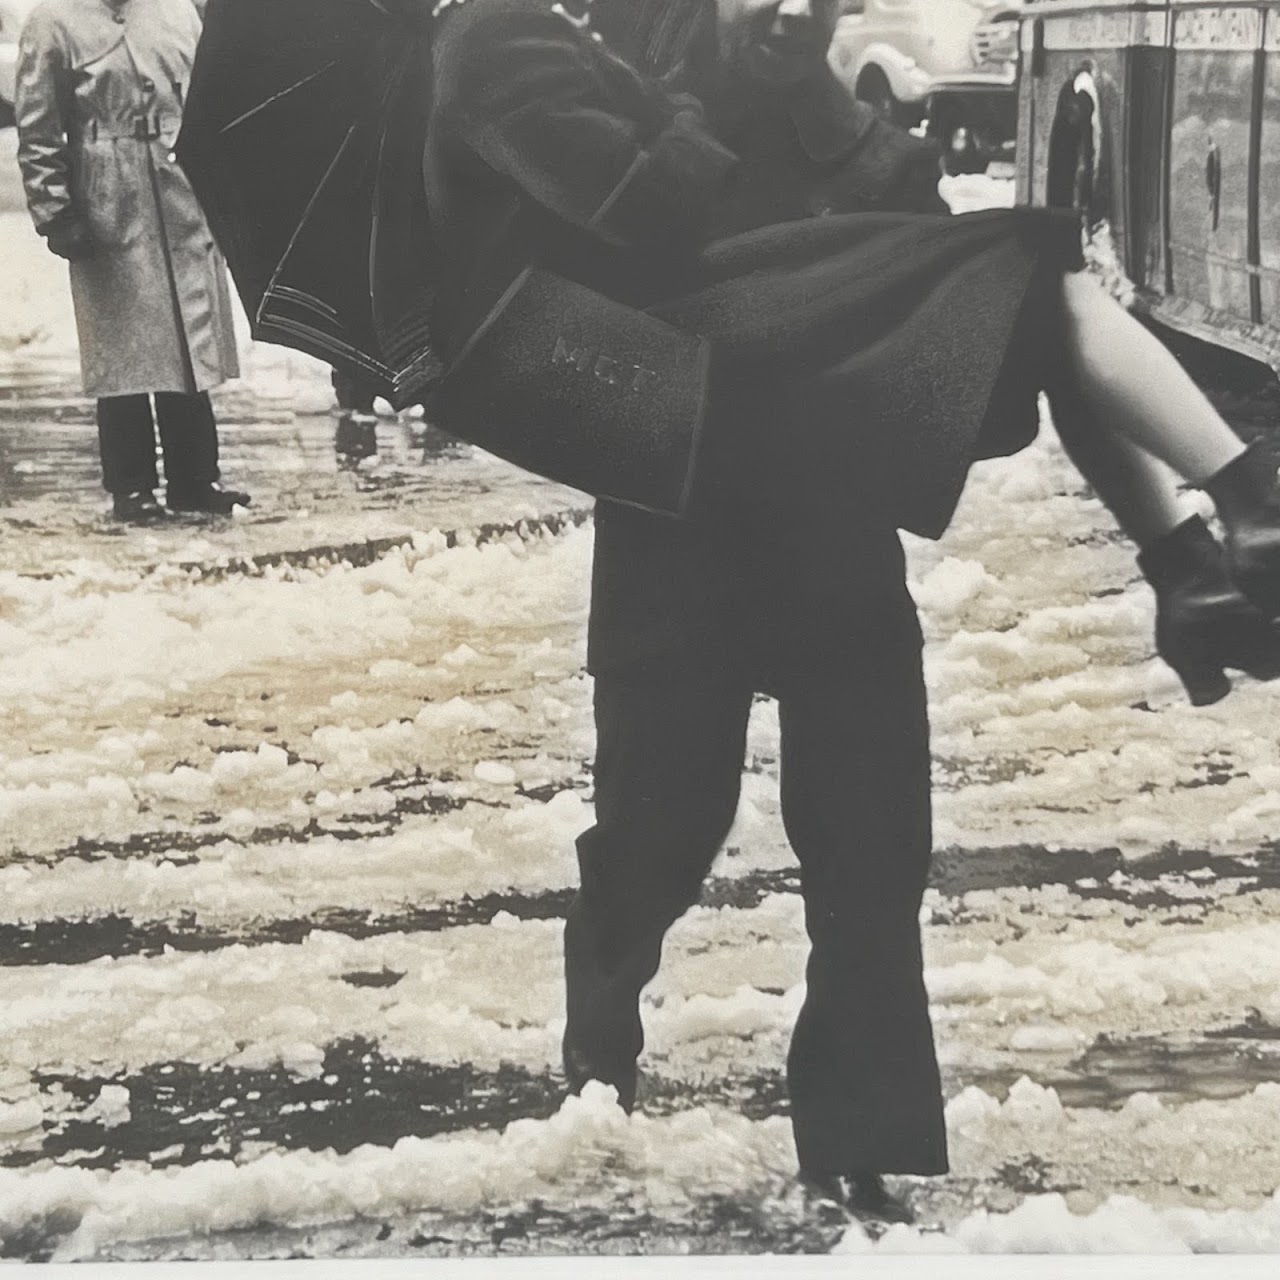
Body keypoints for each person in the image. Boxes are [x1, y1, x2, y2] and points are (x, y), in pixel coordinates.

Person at [422, 0, 1280, 1222]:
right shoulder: (573, 60)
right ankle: (600, 1034)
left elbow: (933, 264)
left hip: (829, 511)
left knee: (872, 847)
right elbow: (645, 218)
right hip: (676, 510)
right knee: (663, 833)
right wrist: (688, 94)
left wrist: (827, 107)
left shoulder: (804, 95)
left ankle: (856, 1142)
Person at [14, 0, 249, 523]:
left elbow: (209, 102)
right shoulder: (52, 21)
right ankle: (131, 487)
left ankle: (195, 480)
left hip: (182, 190)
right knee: (122, 354)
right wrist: (56, 211)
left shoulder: (177, 10)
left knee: (191, 344)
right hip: (108, 199)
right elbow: (38, 130)